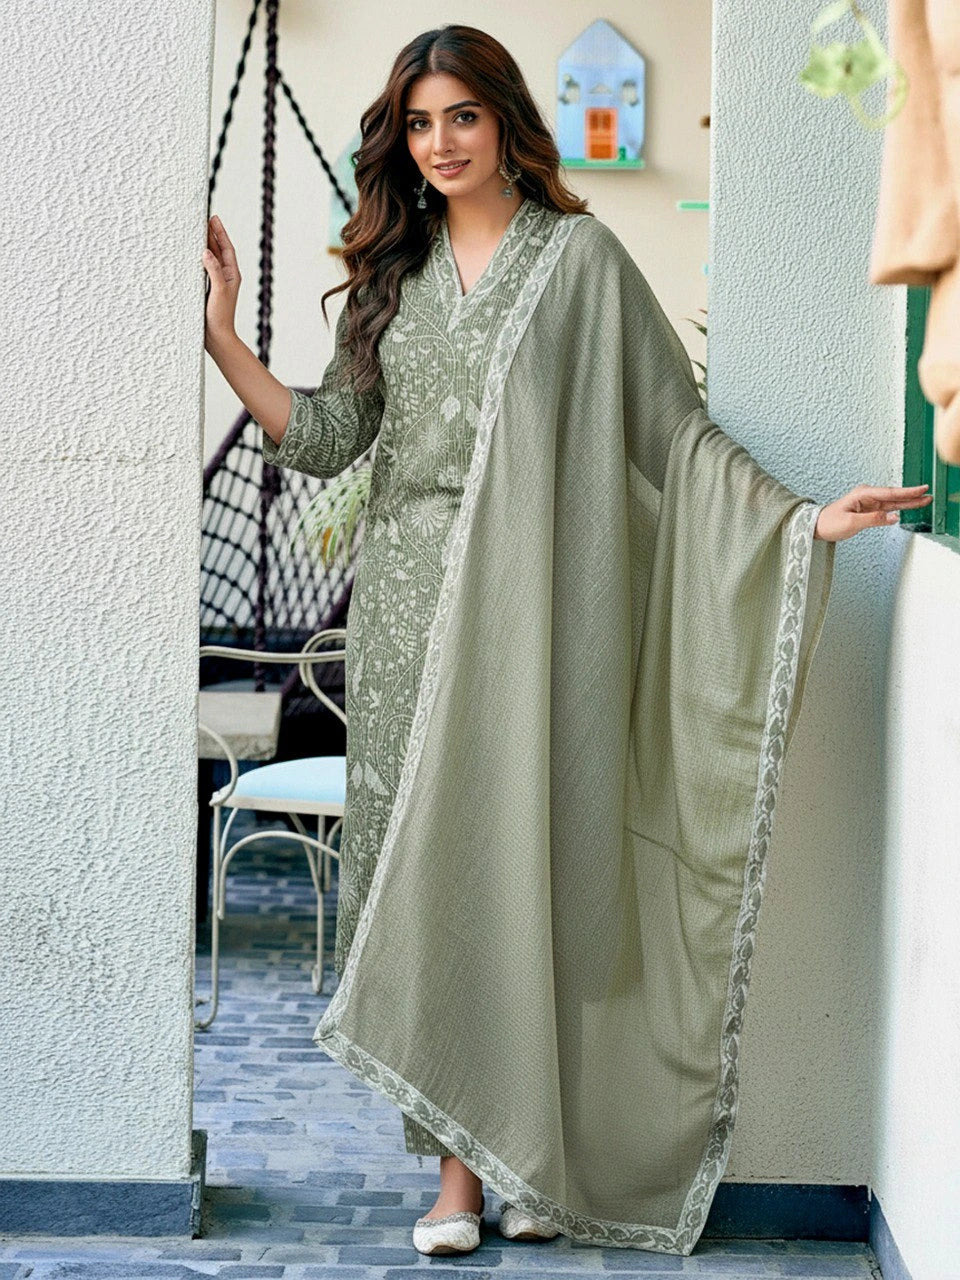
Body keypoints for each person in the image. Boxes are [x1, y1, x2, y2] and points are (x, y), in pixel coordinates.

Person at [203, 23, 931, 1260]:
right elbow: (328, 437)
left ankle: (529, 1154)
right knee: (438, 886)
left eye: (462, 119)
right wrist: (222, 334)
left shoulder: (581, 263)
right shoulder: (398, 276)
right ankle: (455, 1182)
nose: (439, 144)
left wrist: (804, 518)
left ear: (506, 122)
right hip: (409, 625)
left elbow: (674, 437)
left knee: (538, 865)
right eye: (420, 124)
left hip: (544, 619)